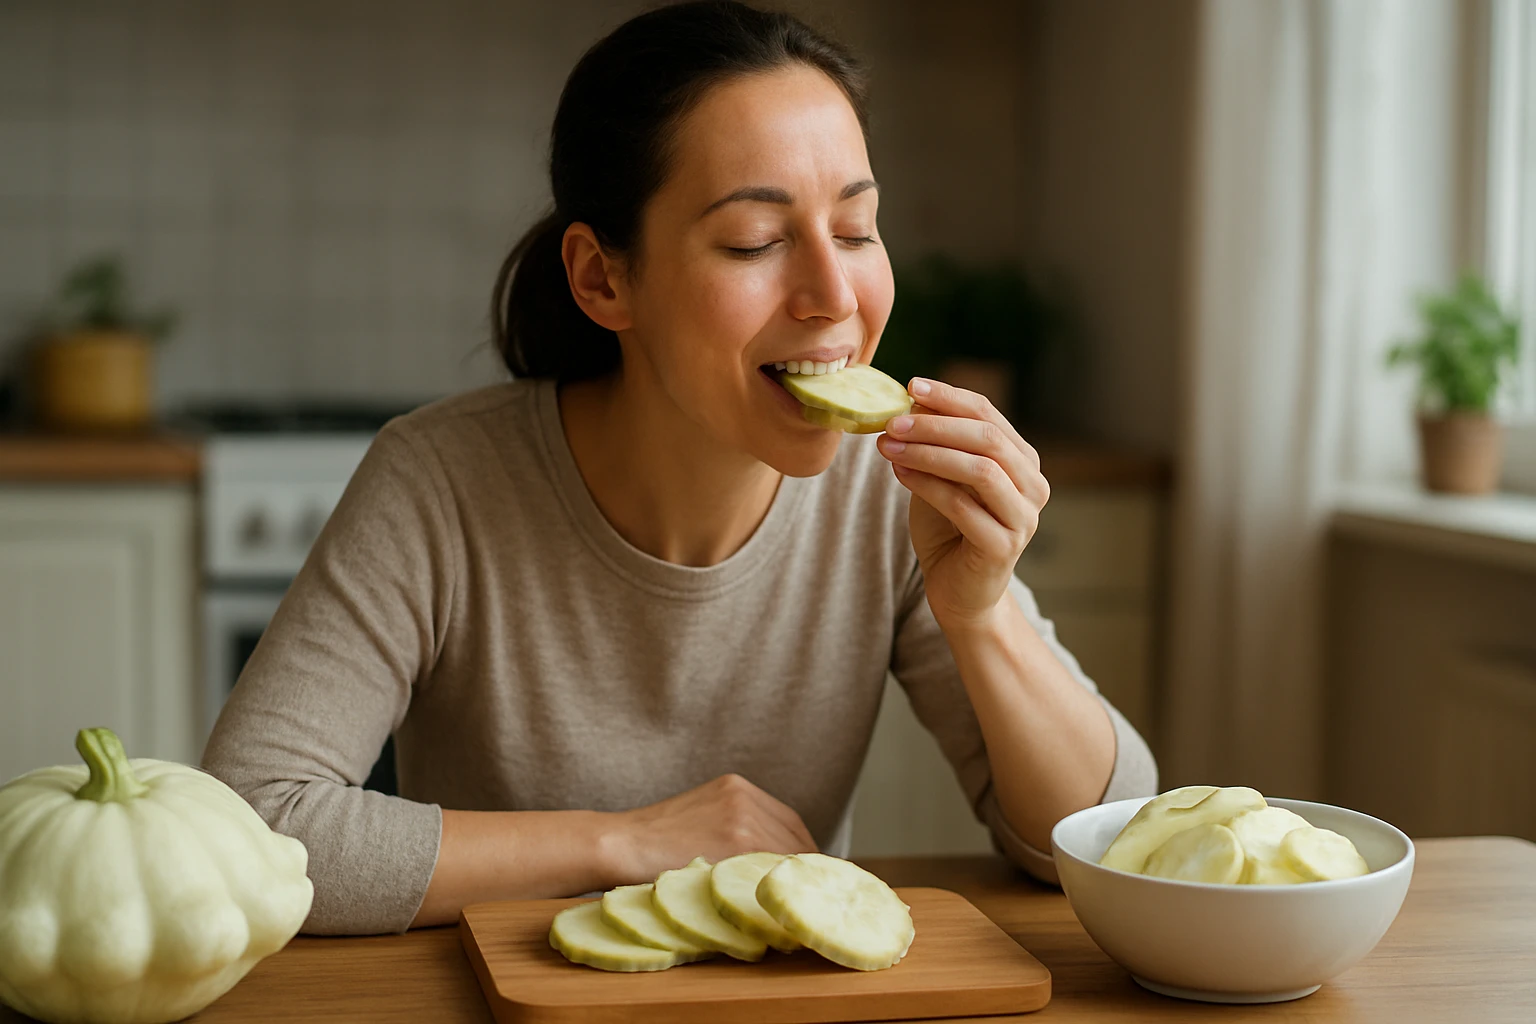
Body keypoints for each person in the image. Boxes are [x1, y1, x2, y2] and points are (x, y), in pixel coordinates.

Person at [203, 0, 1156, 935]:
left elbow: (1108, 842)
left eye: (858, 230)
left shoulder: (885, 490)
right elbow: (247, 825)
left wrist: (981, 617)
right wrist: (621, 844)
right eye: (757, 241)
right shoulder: (439, 482)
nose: (834, 295)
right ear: (602, 279)